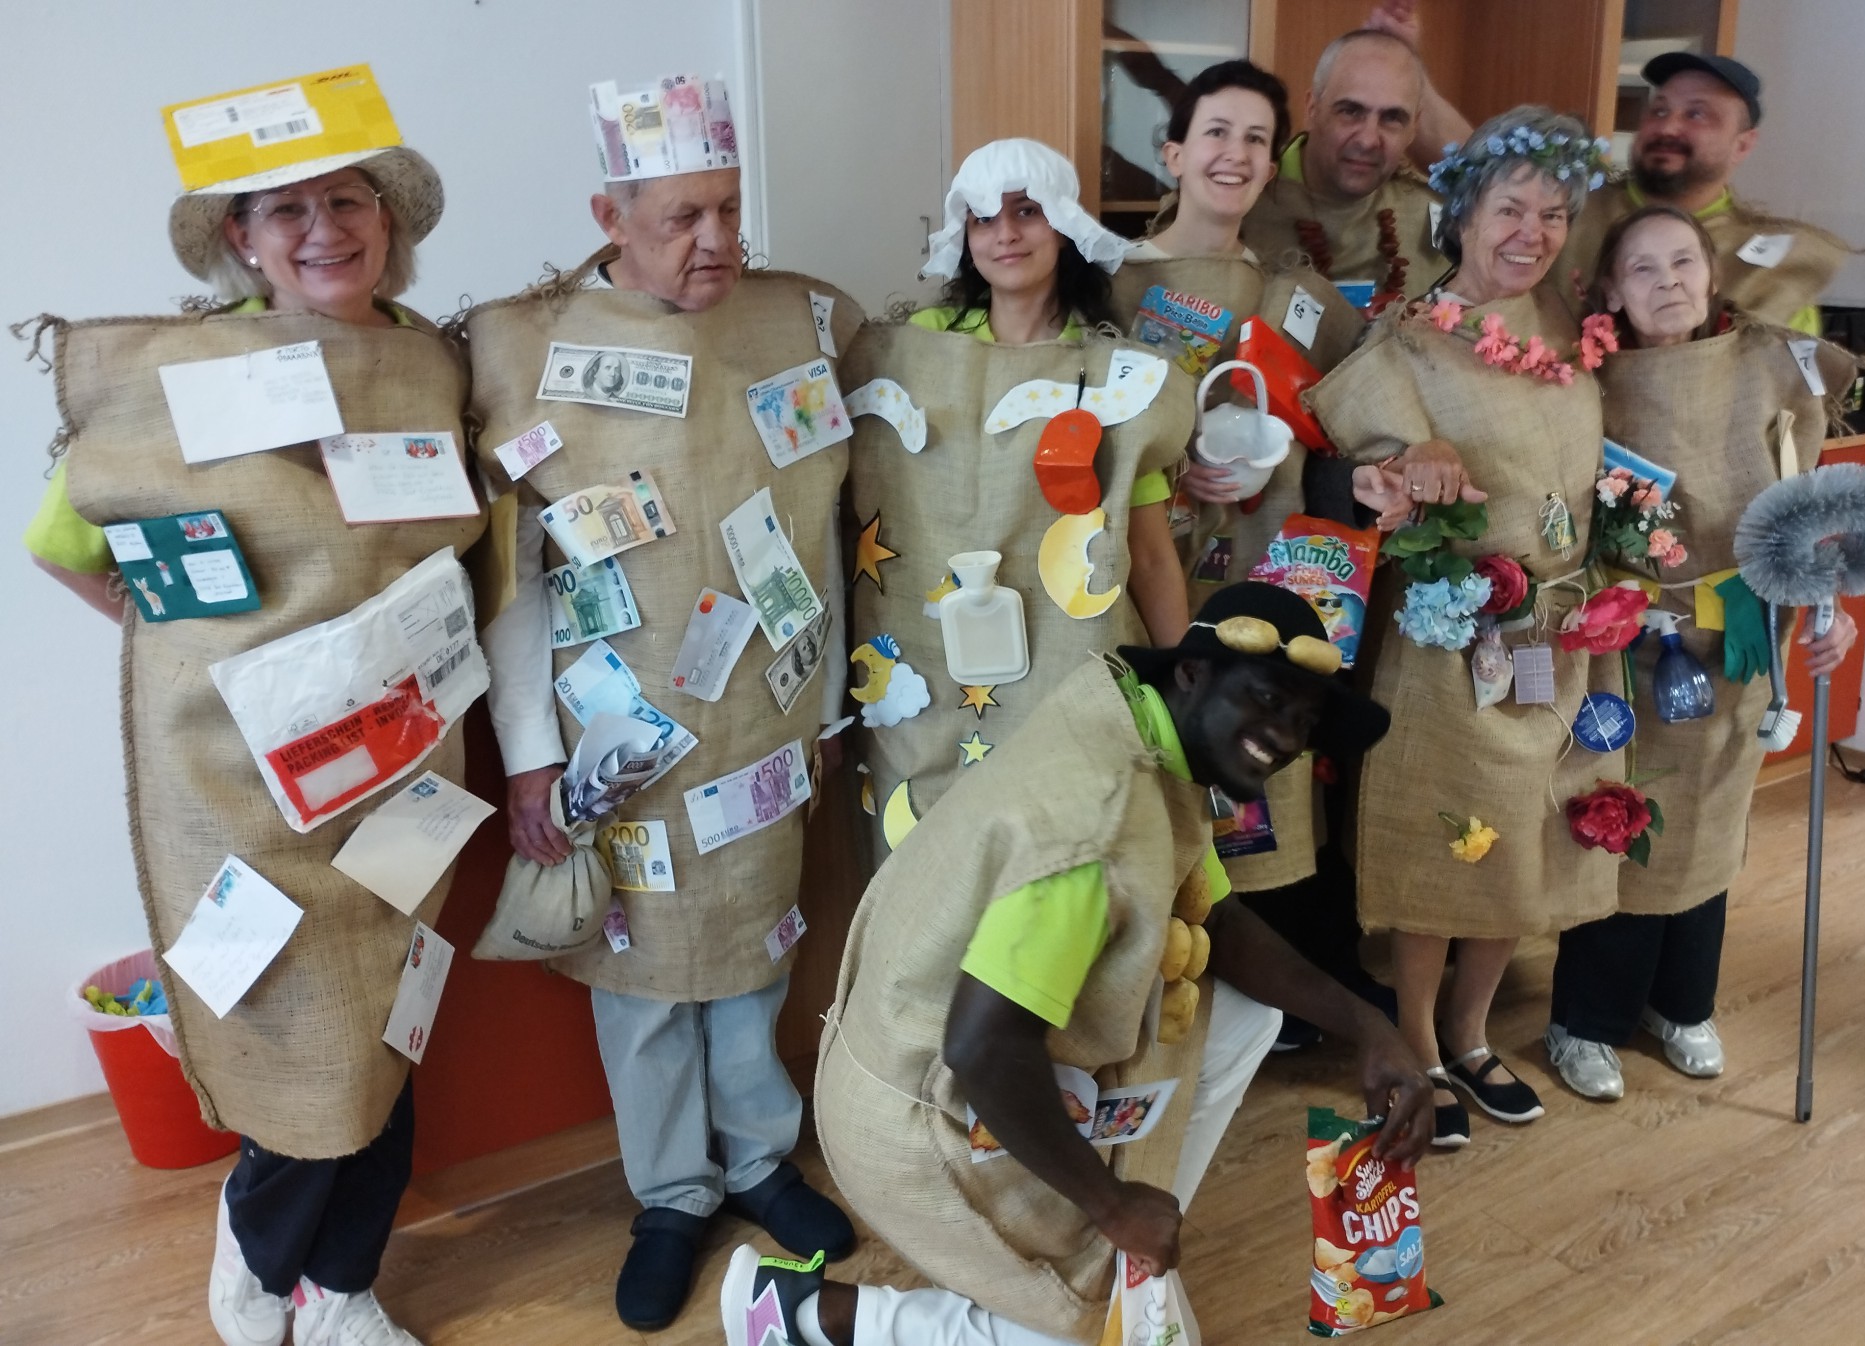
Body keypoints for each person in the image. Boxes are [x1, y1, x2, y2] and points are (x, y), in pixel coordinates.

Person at [25, 70, 481, 1346]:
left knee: (387, 1019)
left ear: (388, 220)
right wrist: (193, 657)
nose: (323, 229)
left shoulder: (428, 363)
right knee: (294, 1028)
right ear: (241, 236)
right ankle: (261, 1256)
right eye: (287, 209)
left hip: (403, 768)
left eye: (348, 200)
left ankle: (343, 1287)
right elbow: (63, 543)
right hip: (251, 789)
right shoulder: (185, 375)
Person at [713, 582, 1430, 1346]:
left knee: (1246, 1018)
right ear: (1192, 674)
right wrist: (1112, 1209)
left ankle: (1123, 1242)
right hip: (918, 1119)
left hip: (911, 1049)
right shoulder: (1097, 826)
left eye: (1304, 720)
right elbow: (983, 1049)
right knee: (1095, 1332)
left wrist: (1368, 1025)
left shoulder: (1134, 724)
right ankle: (808, 1314)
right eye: (1266, 698)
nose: (1284, 735)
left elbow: (1218, 918)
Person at [465, 74, 855, 1332]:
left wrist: (827, 705)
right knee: (639, 976)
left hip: (759, 717)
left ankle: (758, 1161)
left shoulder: (790, 324)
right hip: (614, 731)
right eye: (683, 215)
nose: (716, 239)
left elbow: (823, 522)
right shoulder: (529, 349)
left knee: (752, 954)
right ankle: (672, 1195)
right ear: (609, 216)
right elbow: (514, 577)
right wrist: (530, 756)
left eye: (729, 208)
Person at [1302, 106, 1627, 1149]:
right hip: (1457, 640)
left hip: (1562, 633)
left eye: (1553, 213)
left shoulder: (1565, 328)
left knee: (1526, 837)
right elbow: (1367, 468)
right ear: (1464, 216)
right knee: (1445, 842)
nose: (1532, 231)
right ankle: (1415, 1044)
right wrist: (1411, 460)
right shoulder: (1408, 344)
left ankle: (1472, 1033)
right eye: (1510, 209)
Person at [1544, 205, 1859, 1098]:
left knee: (1714, 819)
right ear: (1611, 290)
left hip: (1739, 638)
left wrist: (1829, 608)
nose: (1667, 282)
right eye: (1643, 268)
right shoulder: (1580, 380)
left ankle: (1682, 1005)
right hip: (1627, 644)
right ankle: (1586, 1022)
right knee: (1619, 818)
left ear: (1712, 276)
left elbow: (1805, 501)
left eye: (1683, 262)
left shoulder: (1766, 365)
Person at [1109, 60, 1391, 1022]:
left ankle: (1259, 1014)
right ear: (1174, 152)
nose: (1234, 154)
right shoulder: (1111, 281)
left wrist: (1378, 469)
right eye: (1216, 133)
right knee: (1151, 789)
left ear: (1274, 166)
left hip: (1268, 585)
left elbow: (1362, 406)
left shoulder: (1295, 296)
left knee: (1261, 788)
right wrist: (1161, 465)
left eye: (1257, 140)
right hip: (1139, 581)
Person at [838, 138, 1193, 856]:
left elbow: (1150, 552)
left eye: (1027, 211)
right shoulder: (911, 351)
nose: (1004, 233)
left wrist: (1189, 674)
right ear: (963, 236)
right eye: (982, 217)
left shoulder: (1114, 375)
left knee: (1054, 854)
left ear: (1064, 224)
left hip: (1063, 671)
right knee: (924, 859)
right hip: (922, 678)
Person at [1556, 53, 1849, 332]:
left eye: (1696, 114)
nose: (1668, 127)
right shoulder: (1566, 211)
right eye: (1659, 110)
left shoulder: (1773, 277)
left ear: (1742, 145)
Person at [1205, 28, 1451, 309]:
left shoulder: (1436, 218)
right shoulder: (1236, 202)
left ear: (1414, 128)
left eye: (1392, 117)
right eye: (1350, 111)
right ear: (1312, 109)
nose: (1368, 140)